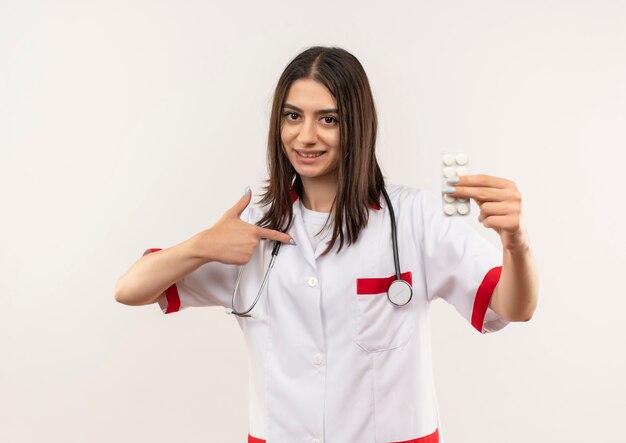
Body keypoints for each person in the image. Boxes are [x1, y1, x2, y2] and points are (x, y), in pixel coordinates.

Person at [115, 46, 538, 443]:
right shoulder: (252, 229)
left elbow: (513, 308)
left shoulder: (413, 219)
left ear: (357, 124)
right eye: (293, 116)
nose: (306, 136)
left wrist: (515, 243)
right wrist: (202, 245)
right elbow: (130, 290)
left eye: (328, 119)